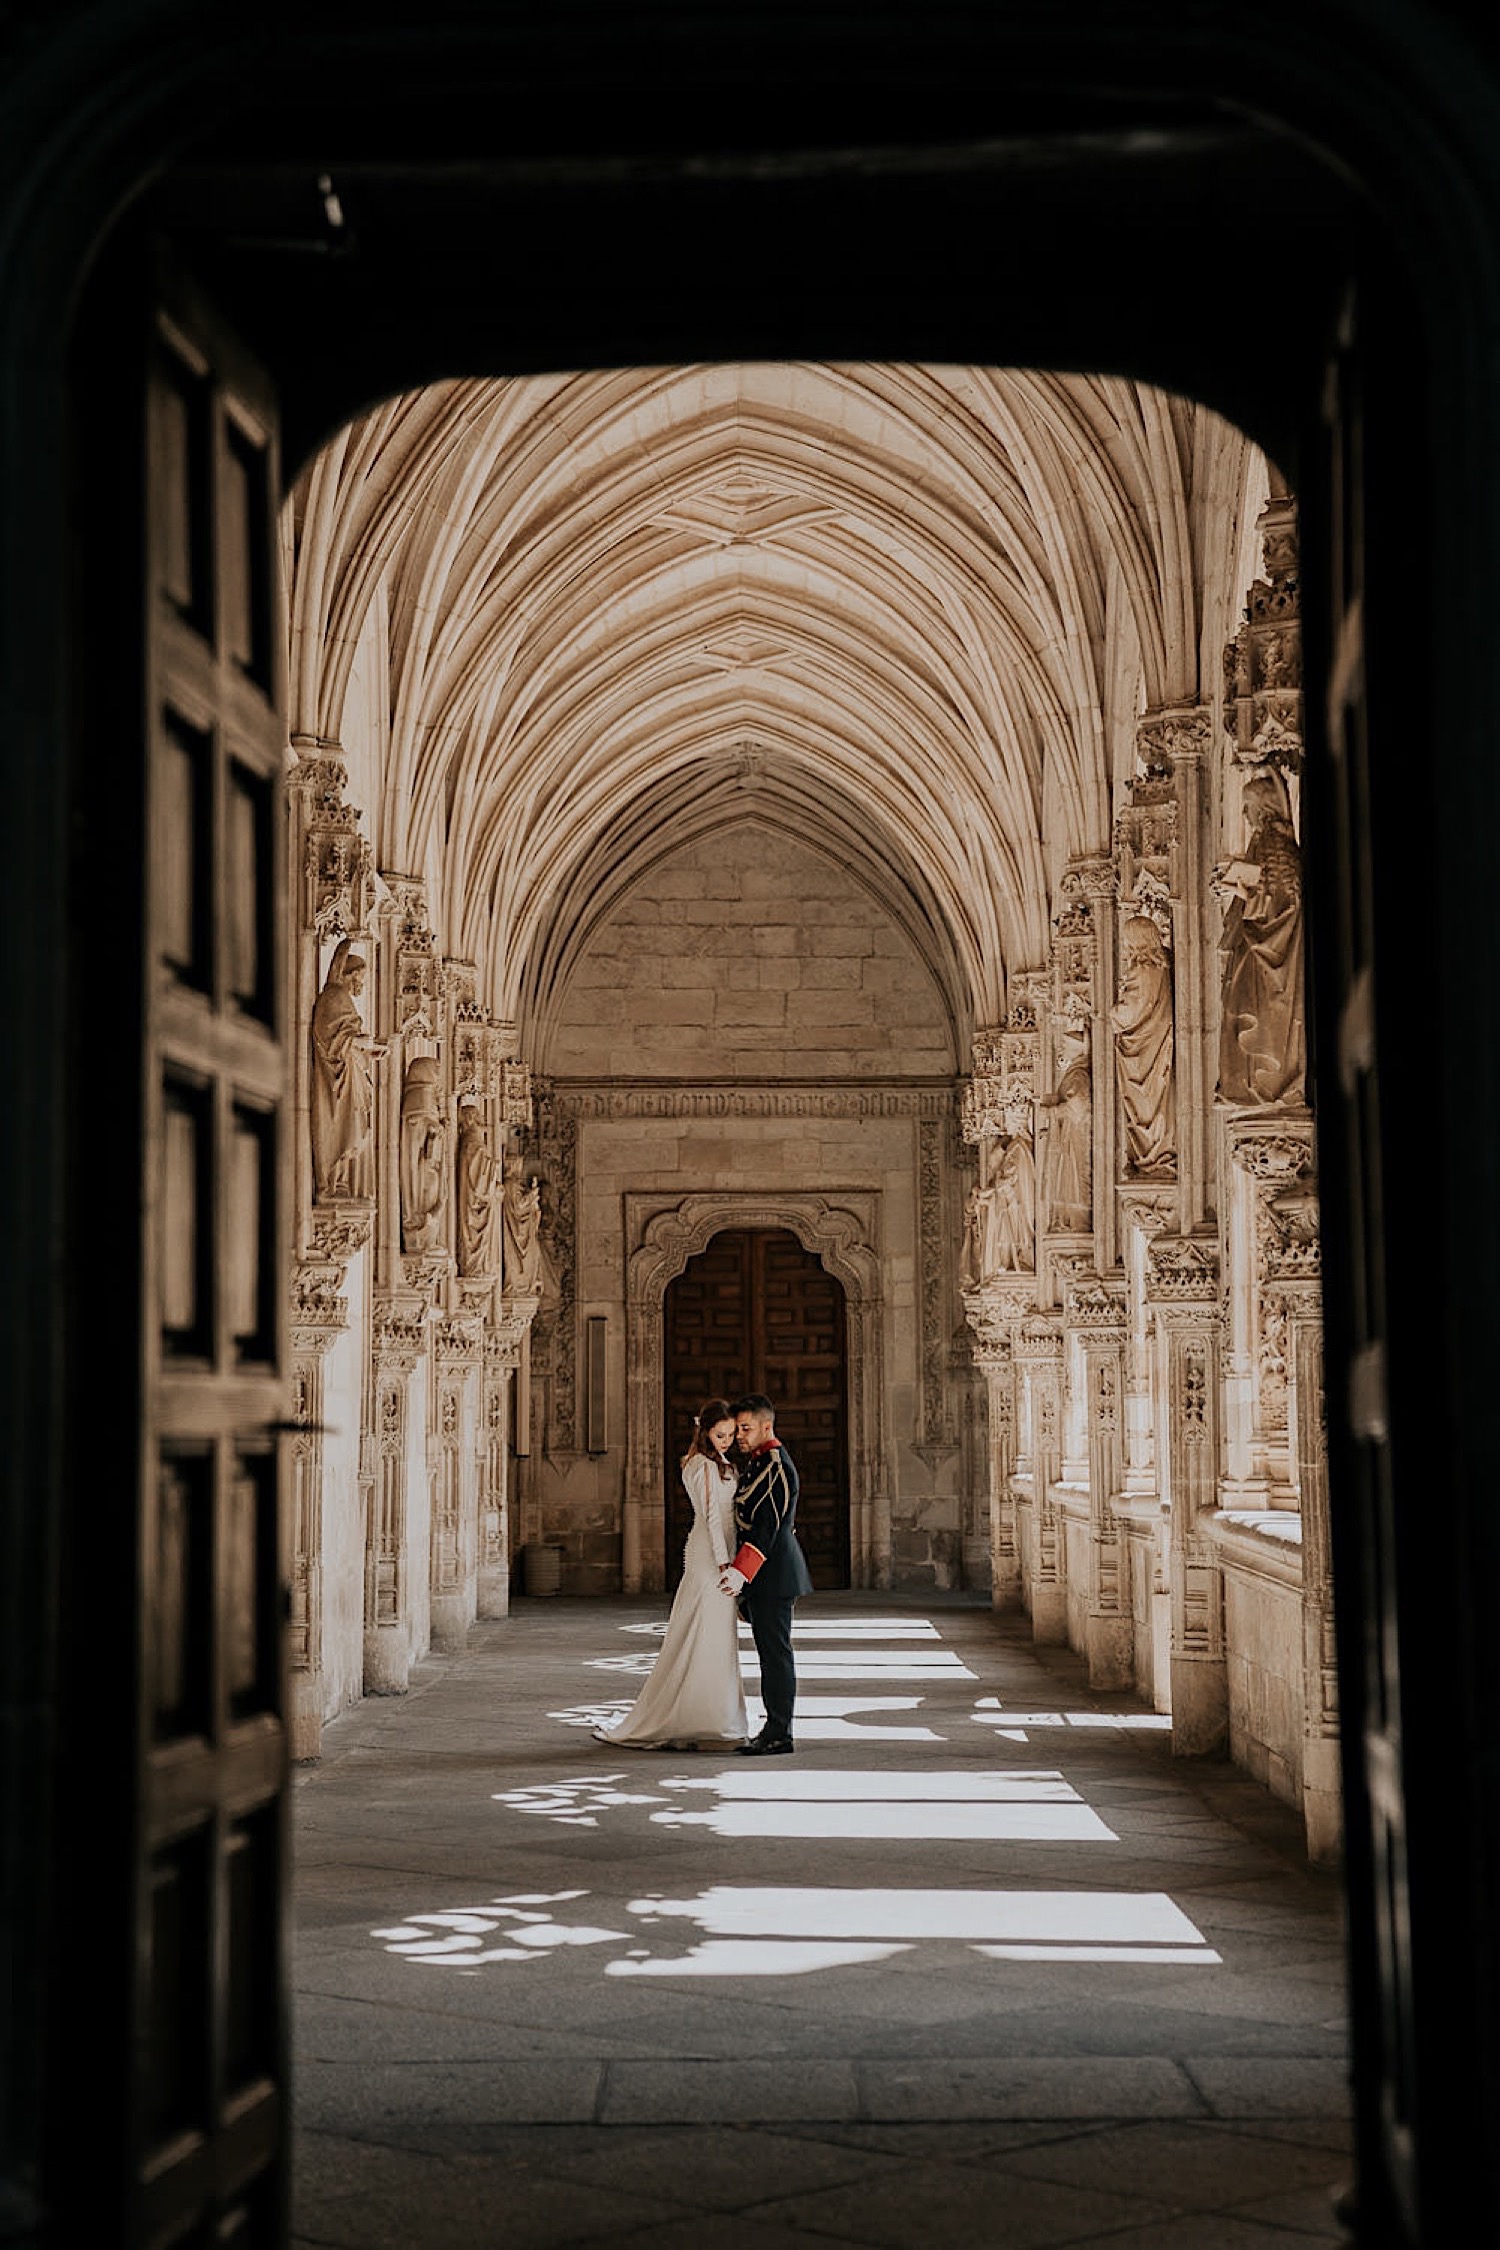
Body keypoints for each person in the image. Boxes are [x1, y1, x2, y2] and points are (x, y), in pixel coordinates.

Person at [593, 1399, 747, 1749]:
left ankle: (713, 1711)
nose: (726, 1441)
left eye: (730, 1434)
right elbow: (710, 1517)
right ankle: (698, 1713)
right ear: (705, 1431)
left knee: (714, 1632)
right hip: (710, 1554)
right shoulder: (704, 1467)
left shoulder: (716, 1463)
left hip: (718, 1549)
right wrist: (726, 1564)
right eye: (720, 1434)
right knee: (704, 1627)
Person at [720, 1392, 813, 1756]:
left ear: (766, 1426)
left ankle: (779, 1731)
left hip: (773, 1575)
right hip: (764, 1577)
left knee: (775, 1656)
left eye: (745, 1428)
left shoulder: (774, 1464)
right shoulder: (759, 1463)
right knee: (770, 1653)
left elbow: (767, 1528)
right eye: (738, 1429)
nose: (740, 1435)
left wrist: (741, 1575)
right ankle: (774, 1726)